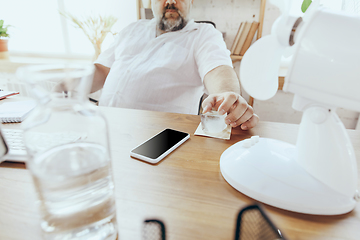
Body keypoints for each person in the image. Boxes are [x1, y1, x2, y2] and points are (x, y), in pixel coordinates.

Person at [92, 0, 259, 130]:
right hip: (103, 128)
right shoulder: (132, 29)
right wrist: (69, 80)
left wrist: (226, 94)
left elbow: (218, 70)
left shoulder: (203, 34)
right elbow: (101, 70)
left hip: (160, 140)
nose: (170, 2)